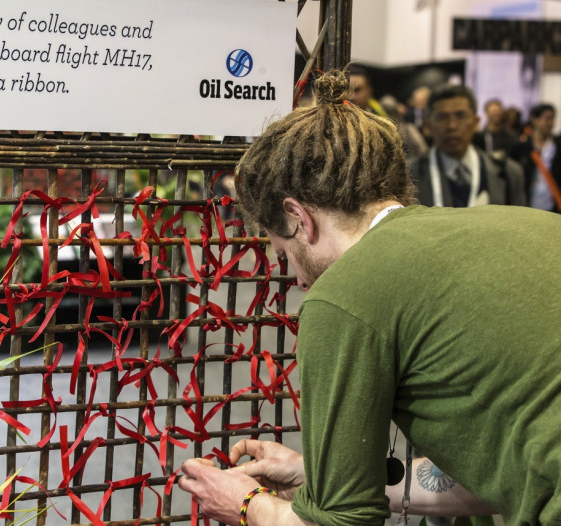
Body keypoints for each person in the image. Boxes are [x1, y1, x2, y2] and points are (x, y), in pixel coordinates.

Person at [178, 69, 561, 526]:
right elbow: (503, 473)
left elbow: (338, 524)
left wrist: (242, 503)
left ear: (298, 217)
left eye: (285, 252)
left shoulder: (343, 297)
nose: (298, 279)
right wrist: (317, 471)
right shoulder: (527, 224)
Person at [411, 84, 526, 207]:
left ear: (476, 122)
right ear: (428, 126)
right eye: (442, 117)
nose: (452, 126)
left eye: (460, 116)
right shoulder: (408, 176)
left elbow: (519, 223)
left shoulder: (508, 173)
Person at [510, 102, 561, 213]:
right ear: (535, 119)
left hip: (553, 207)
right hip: (527, 206)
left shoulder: (557, 146)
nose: (550, 123)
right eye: (547, 119)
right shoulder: (521, 147)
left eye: (552, 119)